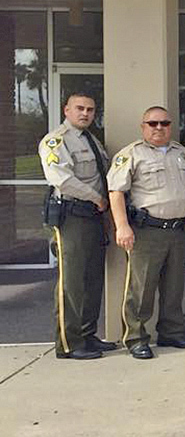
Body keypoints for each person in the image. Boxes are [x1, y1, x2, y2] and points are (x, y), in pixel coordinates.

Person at [107, 106, 185, 359]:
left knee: (174, 286)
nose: (159, 128)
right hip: (146, 231)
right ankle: (135, 337)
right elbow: (116, 192)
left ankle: (172, 331)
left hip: (178, 230)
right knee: (141, 289)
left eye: (164, 123)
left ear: (170, 126)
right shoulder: (131, 154)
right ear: (143, 127)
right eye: (152, 124)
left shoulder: (182, 153)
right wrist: (122, 225)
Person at [39, 93, 115, 360]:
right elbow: (61, 178)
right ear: (67, 110)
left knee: (92, 279)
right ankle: (69, 343)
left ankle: (87, 334)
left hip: (94, 217)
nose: (85, 113)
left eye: (90, 109)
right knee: (71, 281)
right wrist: (97, 199)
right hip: (71, 215)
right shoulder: (55, 140)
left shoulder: (92, 140)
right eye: (80, 108)